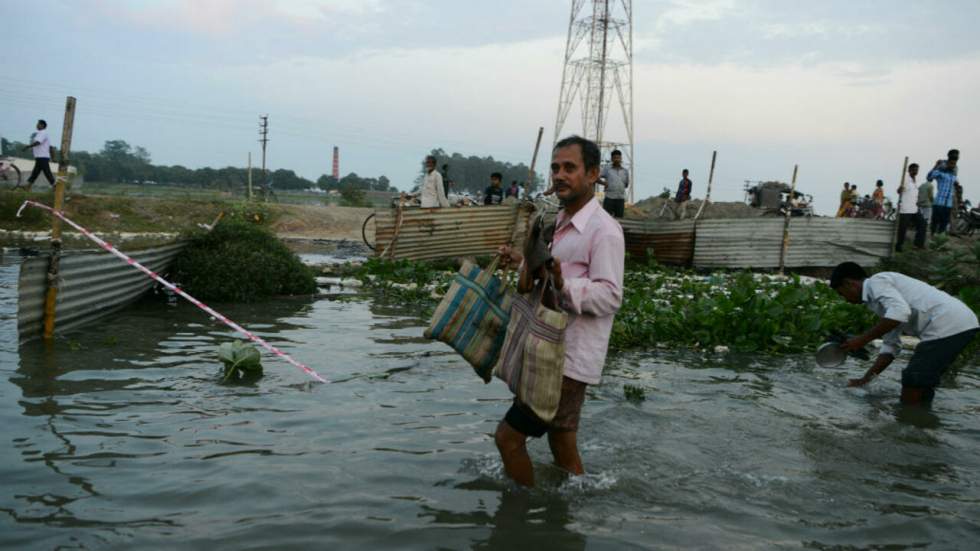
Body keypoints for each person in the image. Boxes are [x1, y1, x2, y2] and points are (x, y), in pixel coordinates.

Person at [495, 135, 624, 487]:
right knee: (561, 441)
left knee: (508, 439)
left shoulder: (604, 231)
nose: (560, 175)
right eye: (555, 168)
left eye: (570, 167)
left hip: (567, 360)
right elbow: (554, 269)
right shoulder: (560, 223)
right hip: (548, 350)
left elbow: (610, 296)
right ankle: (572, 510)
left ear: (593, 173)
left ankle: (521, 520)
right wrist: (525, 261)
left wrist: (563, 284)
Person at [830, 262, 978, 405]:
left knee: (913, 378)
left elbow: (899, 313)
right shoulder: (880, 302)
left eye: (842, 294)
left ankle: (907, 421)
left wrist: (862, 339)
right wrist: (865, 379)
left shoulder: (878, 281)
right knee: (922, 382)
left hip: (950, 323)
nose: (846, 300)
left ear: (849, 283)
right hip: (957, 325)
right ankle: (921, 421)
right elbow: (891, 346)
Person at [927, 149, 959, 234]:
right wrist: (936, 165)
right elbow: (929, 178)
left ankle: (939, 240)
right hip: (939, 203)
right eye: (952, 163)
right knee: (935, 223)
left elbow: (955, 182)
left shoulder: (954, 172)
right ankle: (933, 237)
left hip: (948, 204)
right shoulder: (941, 169)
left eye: (955, 163)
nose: (954, 165)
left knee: (944, 225)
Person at [896, 163, 922, 251]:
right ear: (910, 170)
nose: (916, 171)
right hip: (905, 208)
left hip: (914, 208)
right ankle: (898, 246)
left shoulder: (915, 182)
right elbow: (899, 190)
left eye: (917, 169)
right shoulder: (906, 179)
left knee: (922, 224)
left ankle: (918, 244)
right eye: (914, 169)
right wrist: (900, 189)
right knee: (902, 228)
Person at [22, 119, 54, 188]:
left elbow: (38, 142)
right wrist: (53, 157)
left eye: (38, 124)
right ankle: (28, 185)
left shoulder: (43, 133)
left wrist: (28, 146)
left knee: (47, 172)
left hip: (42, 156)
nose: (36, 125)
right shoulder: (42, 133)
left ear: (42, 125)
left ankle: (55, 185)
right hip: (40, 157)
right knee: (36, 172)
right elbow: (50, 147)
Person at [599, 149, 629, 218]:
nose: (617, 160)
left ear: (621, 158)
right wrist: (603, 183)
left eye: (618, 158)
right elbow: (595, 177)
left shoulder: (625, 171)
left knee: (619, 220)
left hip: (620, 199)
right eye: (615, 158)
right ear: (612, 159)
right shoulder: (607, 169)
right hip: (609, 198)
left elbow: (626, 184)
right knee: (606, 219)